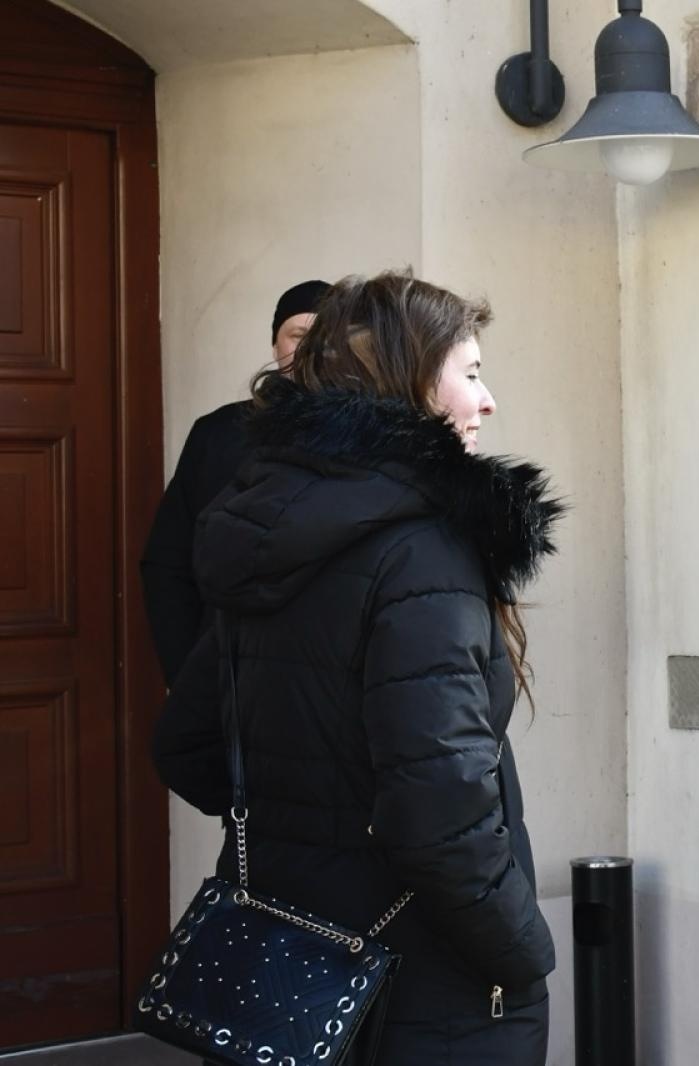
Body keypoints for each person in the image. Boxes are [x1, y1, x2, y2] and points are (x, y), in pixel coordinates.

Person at [152, 272, 561, 1064]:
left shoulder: (268, 522)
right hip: (425, 978)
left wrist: (312, 835)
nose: (488, 401)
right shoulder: (422, 550)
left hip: (286, 951)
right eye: (470, 374)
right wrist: (522, 951)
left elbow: (185, 744)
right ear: (408, 384)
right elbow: (439, 814)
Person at [140, 279, 331, 684]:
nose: (311, 351)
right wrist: (186, 672)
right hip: (226, 674)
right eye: (298, 336)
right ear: (276, 345)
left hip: (322, 683)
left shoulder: (370, 438)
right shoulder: (219, 433)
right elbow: (167, 563)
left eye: (326, 338)